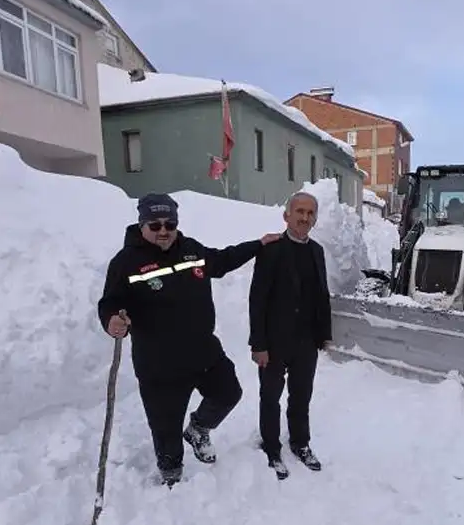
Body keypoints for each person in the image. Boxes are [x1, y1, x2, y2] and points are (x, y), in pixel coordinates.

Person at [98, 193, 281, 486]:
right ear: (142, 224)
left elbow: (222, 260)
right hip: (159, 364)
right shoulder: (126, 262)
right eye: (155, 225)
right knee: (166, 430)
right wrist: (112, 321)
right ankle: (171, 480)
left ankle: (198, 429)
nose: (163, 231)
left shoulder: (190, 250)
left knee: (228, 393)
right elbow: (109, 303)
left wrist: (258, 245)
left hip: (202, 351)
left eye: (169, 224)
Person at [248, 191, 331, 480]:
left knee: (301, 395)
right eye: (300, 212)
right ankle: (271, 447)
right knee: (270, 396)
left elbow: (321, 294)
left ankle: (300, 442)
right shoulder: (271, 250)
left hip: (306, 340)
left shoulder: (317, 251)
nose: (305, 218)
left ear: (315, 219)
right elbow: (257, 299)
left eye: (310, 213)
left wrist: (324, 333)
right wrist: (258, 344)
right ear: (287, 216)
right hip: (274, 342)